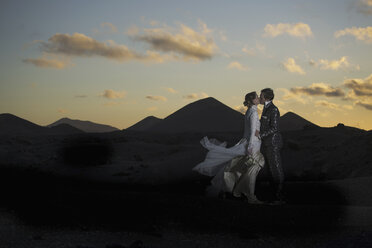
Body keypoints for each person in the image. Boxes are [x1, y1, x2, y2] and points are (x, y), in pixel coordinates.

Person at [192, 92, 265, 204]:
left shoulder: (250, 111)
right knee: (252, 168)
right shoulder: (254, 112)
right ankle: (249, 195)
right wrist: (251, 145)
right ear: (252, 100)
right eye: (257, 97)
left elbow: (252, 130)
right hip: (252, 144)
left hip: (250, 142)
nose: (259, 98)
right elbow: (251, 131)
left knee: (239, 167)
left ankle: (234, 190)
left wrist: (257, 134)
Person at [257, 88, 285, 204]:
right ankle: (274, 196)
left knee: (276, 169)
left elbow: (274, 128)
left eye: (261, 96)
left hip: (273, 144)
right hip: (268, 144)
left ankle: (279, 196)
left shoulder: (273, 110)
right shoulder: (266, 108)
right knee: (270, 170)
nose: (259, 97)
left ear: (266, 98)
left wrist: (260, 135)